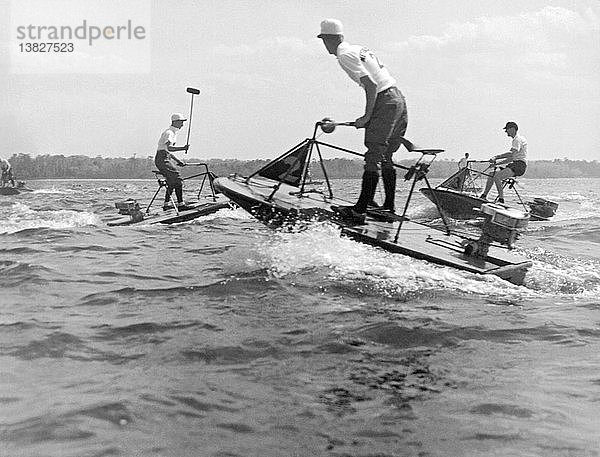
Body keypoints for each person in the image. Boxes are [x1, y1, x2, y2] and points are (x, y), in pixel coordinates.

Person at [318, 18, 408, 223]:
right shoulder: (358, 48)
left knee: (373, 155)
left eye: (324, 40)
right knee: (386, 155)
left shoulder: (344, 55)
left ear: (328, 40)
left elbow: (370, 85)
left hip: (385, 100)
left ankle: (359, 211)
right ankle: (388, 207)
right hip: (398, 99)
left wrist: (367, 116)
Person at [480, 121, 527, 204]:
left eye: (507, 129)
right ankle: (484, 196)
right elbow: (511, 158)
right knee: (492, 174)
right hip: (515, 164)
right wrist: (496, 164)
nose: (506, 132)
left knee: (497, 177)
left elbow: (511, 154)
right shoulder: (516, 140)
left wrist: (496, 157)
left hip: (519, 165)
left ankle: (501, 200)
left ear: (512, 129)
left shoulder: (517, 139)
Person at [155, 113, 189, 210]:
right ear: (175, 122)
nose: (182, 125)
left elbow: (167, 151)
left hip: (165, 158)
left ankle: (166, 204)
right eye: (181, 122)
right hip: (162, 159)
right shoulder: (169, 133)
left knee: (171, 180)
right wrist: (183, 148)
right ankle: (181, 205)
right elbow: (168, 148)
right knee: (177, 179)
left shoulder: (173, 133)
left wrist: (178, 161)